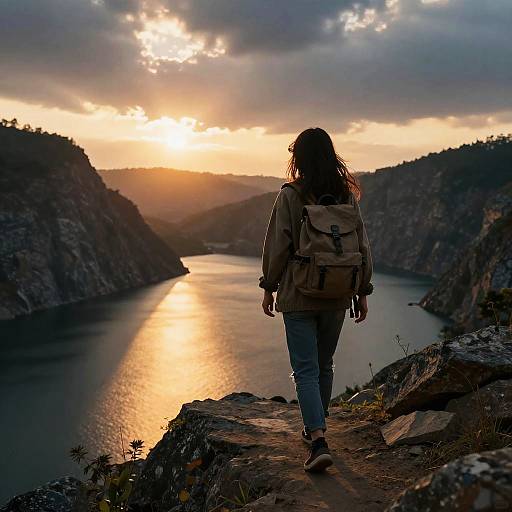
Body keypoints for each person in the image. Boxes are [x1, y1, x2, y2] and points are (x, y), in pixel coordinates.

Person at [259, 127, 373, 472]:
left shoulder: (291, 195)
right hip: (338, 293)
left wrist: (269, 285)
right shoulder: (345, 196)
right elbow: (362, 246)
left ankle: (318, 438)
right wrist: (362, 291)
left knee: (305, 370)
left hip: (299, 294)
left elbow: (278, 244)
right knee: (325, 365)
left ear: (299, 158)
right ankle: (316, 431)